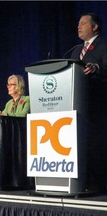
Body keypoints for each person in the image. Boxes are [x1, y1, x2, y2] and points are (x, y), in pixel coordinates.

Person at [71, 13, 107, 192]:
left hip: (98, 106)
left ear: (95, 27)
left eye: (83, 23)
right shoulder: (76, 50)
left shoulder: (104, 46)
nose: (79, 26)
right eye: (78, 23)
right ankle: (82, 183)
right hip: (78, 106)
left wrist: (97, 68)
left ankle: (99, 186)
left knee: (96, 146)